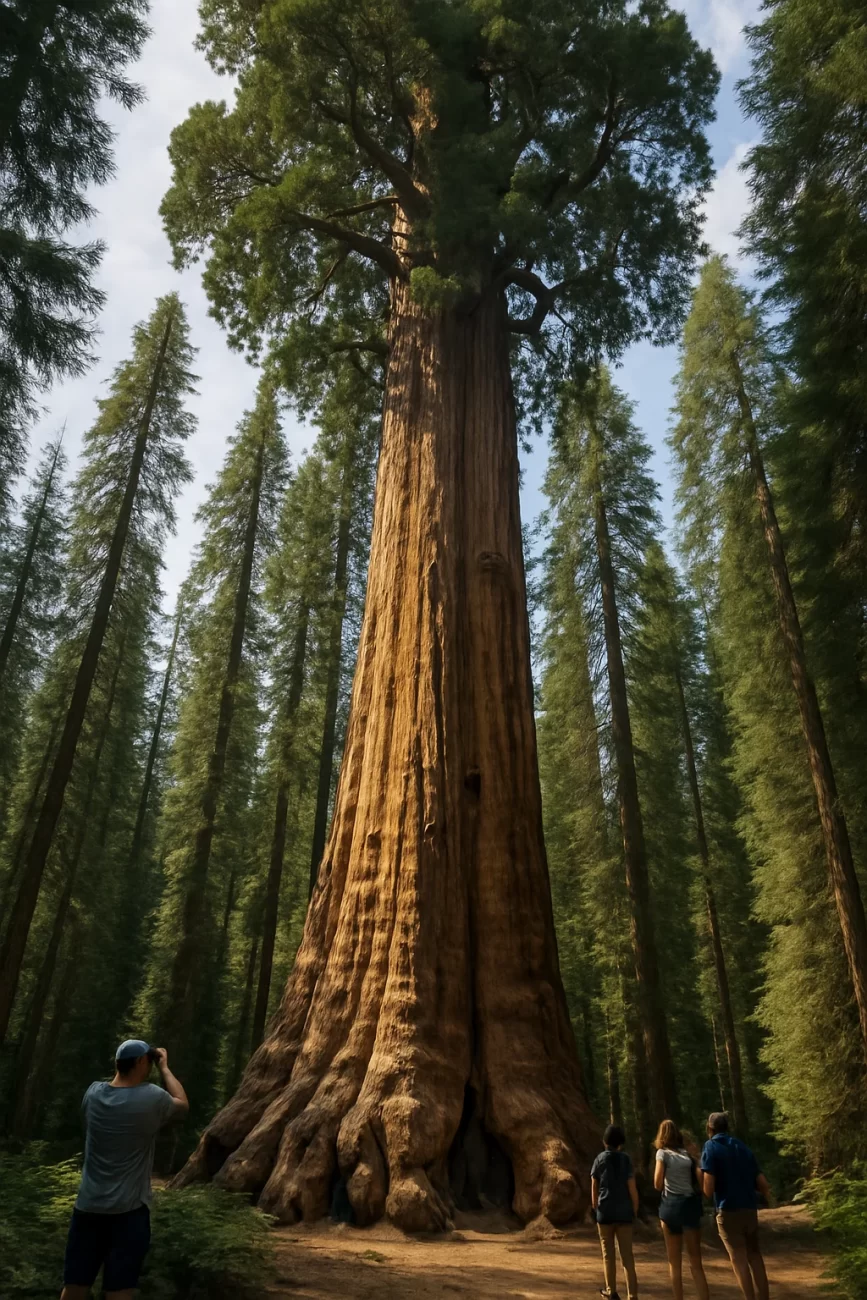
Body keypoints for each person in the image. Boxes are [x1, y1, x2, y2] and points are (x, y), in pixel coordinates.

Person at [61, 1040, 188, 1300]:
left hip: (87, 1208)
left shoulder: (93, 1093)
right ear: (142, 1062)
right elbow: (182, 1104)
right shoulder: (152, 1097)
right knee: (119, 1292)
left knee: (74, 1287)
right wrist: (164, 1067)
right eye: (149, 1060)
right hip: (129, 1213)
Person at [701, 1112, 771, 1300]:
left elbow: (708, 1189)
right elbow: (763, 1184)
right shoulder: (743, 1147)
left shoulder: (710, 1147)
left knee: (738, 1260)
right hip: (749, 1209)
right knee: (755, 1256)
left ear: (710, 1128)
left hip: (727, 1209)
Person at [654, 1119, 710, 1300]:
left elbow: (657, 1183)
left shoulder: (662, 1154)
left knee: (674, 1262)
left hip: (670, 1207)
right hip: (689, 1206)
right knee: (696, 1261)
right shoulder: (687, 1155)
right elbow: (700, 1180)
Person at [591, 1123, 640, 1300]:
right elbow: (632, 1186)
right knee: (627, 1256)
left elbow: (594, 1185)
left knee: (608, 1255)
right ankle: (632, 1295)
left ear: (605, 1141)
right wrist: (635, 1208)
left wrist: (595, 1207)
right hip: (624, 1213)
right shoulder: (625, 1159)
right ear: (621, 1143)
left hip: (605, 1212)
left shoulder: (599, 1159)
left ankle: (611, 1292)